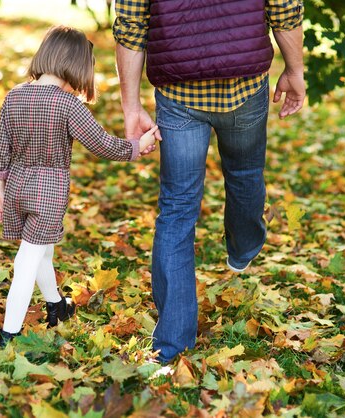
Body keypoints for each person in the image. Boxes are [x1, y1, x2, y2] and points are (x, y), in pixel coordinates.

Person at [113, 0, 305, 363]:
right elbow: (285, 8)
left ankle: (171, 345)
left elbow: (130, 26)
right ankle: (244, 247)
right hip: (244, 88)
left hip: (178, 94)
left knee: (177, 209)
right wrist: (295, 70)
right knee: (245, 175)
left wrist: (131, 107)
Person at [0, 25, 159, 347]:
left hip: (16, 187)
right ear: (79, 66)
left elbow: (0, 147)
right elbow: (103, 144)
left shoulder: (15, 96)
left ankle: (56, 306)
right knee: (27, 260)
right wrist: (138, 145)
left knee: (41, 253)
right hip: (47, 192)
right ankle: (9, 334)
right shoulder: (68, 105)